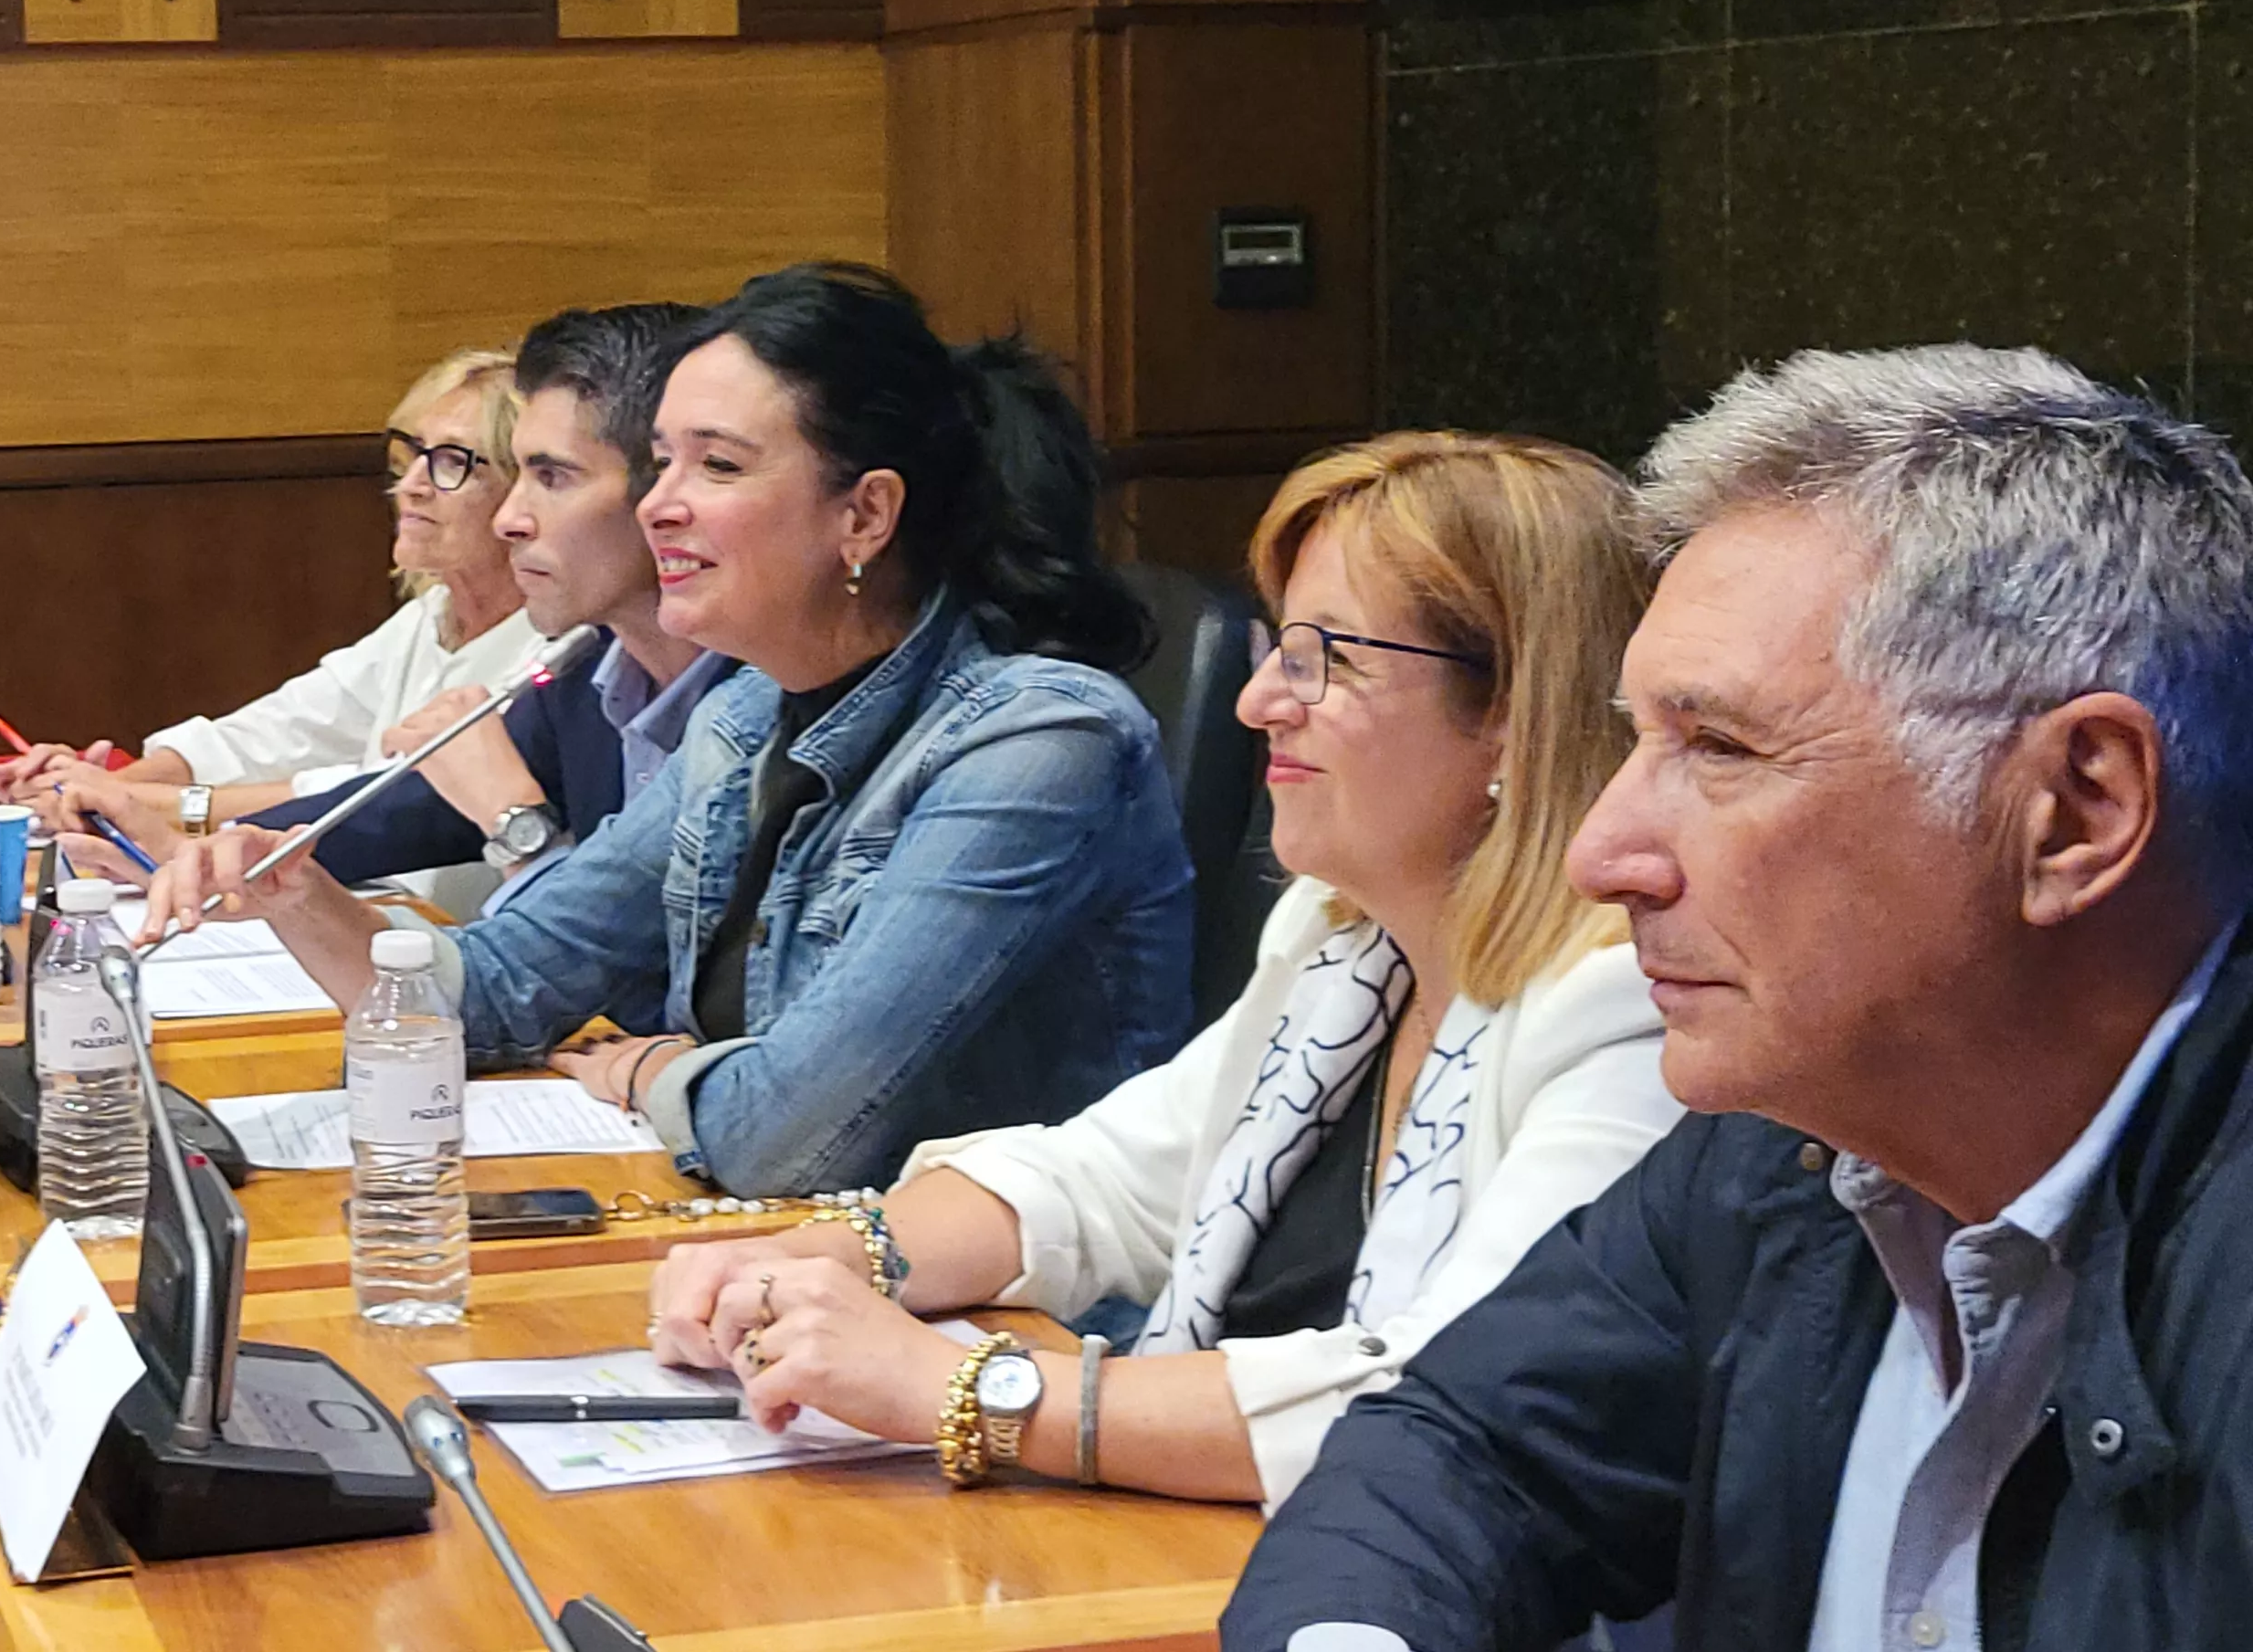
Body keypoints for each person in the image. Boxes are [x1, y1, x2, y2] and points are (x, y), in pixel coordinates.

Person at [1226, 347, 2253, 1652]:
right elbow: (1455, 1451)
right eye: (1636, 739)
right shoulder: (1791, 1149)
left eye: (1717, 749)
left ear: (2076, 810)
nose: (1602, 853)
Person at [644, 433, 1679, 1509]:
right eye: (1279, 647)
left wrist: (961, 1385)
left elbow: (1442, 1400)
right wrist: (824, 1259)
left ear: (1517, 709)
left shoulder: (1626, 1011)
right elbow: (1103, 1179)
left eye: (1330, 658)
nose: (1259, 701)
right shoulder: (1343, 946)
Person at [141, 264, 1195, 1194]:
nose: (659, 505)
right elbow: (497, 989)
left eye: (717, 467)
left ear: (864, 516)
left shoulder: (1036, 742)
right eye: (657, 461)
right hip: (765, 1267)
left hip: (998, 1334)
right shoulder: (746, 710)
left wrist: (649, 1068)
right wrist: (296, 891)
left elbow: (787, 1134)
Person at [182, 300, 735, 900]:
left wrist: (513, 816)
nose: (511, 521)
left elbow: (625, 952)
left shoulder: (763, 704)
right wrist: (231, 850)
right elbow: (406, 811)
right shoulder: (591, 667)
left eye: (551, 478)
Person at [5, 348, 536, 848]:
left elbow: (372, 795)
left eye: (451, 463)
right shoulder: (430, 618)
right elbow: (274, 733)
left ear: (525, 493)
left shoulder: (549, 654)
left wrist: (140, 803)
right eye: (413, 454)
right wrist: (95, 788)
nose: (411, 485)